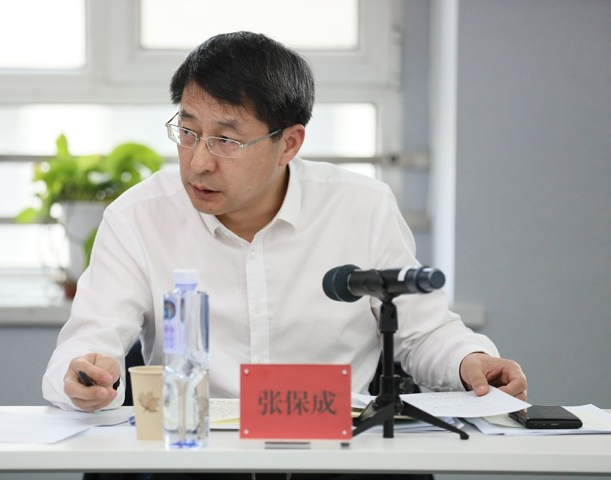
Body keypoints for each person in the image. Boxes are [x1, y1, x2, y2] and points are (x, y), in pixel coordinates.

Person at [42, 30, 527, 471]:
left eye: (226, 140)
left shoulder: (361, 207)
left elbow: (423, 331)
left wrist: (470, 361)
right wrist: (86, 374)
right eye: (188, 132)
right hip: (196, 457)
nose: (199, 162)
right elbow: (89, 341)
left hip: (337, 456)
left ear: (289, 143)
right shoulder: (138, 216)